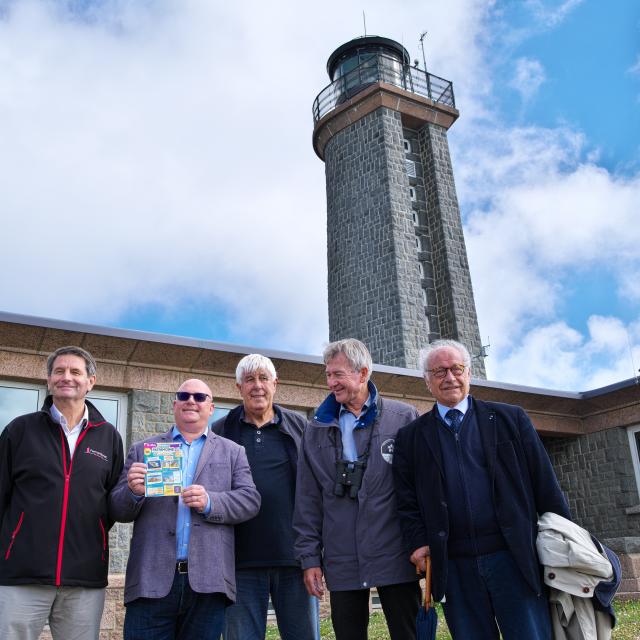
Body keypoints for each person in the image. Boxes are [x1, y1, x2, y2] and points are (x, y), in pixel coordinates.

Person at [392, 338, 571, 640]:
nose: (450, 377)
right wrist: (418, 543)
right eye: (439, 372)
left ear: (469, 373)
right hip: (454, 566)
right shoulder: (411, 437)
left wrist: (565, 539)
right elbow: (406, 500)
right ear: (427, 381)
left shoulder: (510, 419)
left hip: (513, 558)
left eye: (456, 369)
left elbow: (545, 483)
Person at [110, 378, 261, 640]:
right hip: (150, 580)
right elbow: (118, 510)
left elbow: (250, 500)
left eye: (200, 397)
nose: (192, 400)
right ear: (175, 404)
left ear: (211, 408)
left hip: (208, 582)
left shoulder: (233, 452)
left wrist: (211, 502)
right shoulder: (144, 450)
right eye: (185, 395)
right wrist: (134, 492)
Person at [294, 338, 421, 640]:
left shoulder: (403, 418)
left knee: (410, 633)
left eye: (337, 374)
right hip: (342, 557)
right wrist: (310, 558)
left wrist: (423, 543)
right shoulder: (315, 429)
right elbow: (307, 499)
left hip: (397, 553)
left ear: (363, 374)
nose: (330, 382)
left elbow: (420, 489)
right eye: (328, 375)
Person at [0, 345, 124, 640]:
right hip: (22, 574)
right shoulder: (20, 430)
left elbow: (111, 506)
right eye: (59, 371)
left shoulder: (109, 437)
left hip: (84, 578)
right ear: (49, 380)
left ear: (90, 381)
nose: (66, 377)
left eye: (75, 371)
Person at [212, 354, 318, 640]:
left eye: (263, 378)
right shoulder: (221, 430)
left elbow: (316, 493)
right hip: (238, 563)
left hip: (295, 560)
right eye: (249, 380)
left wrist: (314, 556)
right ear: (238, 388)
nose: (257, 386)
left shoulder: (301, 428)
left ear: (275, 384)